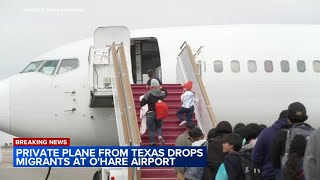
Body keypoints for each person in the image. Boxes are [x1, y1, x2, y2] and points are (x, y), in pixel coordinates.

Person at [270, 102, 313, 180]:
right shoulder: (314, 133)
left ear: (288, 117)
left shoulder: (282, 134)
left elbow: (275, 162)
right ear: (305, 116)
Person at [252, 110, 289, 180]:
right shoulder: (297, 133)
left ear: (279, 118)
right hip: (292, 175)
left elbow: (256, 157)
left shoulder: (266, 132)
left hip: (270, 174)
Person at [140, 79, 167, 146]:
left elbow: (142, 103)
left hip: (150, 113)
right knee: (158, 127)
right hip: (159, 113)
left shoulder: (148, 94)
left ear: (151, 86)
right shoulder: (162, 93)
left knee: (151, 130)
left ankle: (153, 143)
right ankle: (160, 136)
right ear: (158, 85)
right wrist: (161, 88)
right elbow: (166, 92)